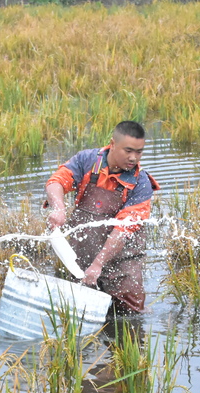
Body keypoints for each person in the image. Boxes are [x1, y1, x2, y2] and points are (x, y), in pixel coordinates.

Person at [45, 120, 159, 316]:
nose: (133, 158)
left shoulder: (141, 184)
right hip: (82, 255)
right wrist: (59, 208)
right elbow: (56, 182)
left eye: (139, 152)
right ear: (112, 144)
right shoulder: (87, 161)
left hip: (123, 260)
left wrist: (98, 265)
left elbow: (123, 229)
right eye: (128, 150)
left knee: (129, 317)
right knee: (75, 313)